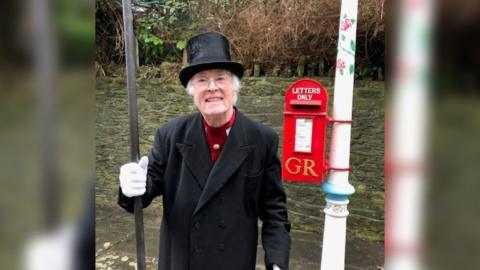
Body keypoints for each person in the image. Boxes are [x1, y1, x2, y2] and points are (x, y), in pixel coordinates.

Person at [118, 32, 291, 270]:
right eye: (201, 80)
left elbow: (274, 213)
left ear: (234, 87)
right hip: (181, 261)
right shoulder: (170, 134)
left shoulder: (262, 139)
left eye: (220, 78)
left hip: (233, 262)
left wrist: (277, 262)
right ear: (192, 92)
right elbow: (144, 193)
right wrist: (131, 186)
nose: (212, 88)